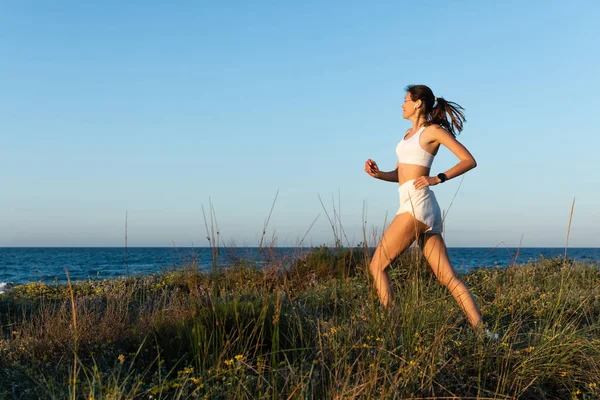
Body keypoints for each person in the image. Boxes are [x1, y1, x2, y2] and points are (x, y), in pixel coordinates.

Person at [364, 84, 485, 331]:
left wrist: (437, 178)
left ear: (418, 103)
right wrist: (379, 175)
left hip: (416, 204)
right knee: (447, 277)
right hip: (419, 205)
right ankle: (483, 332)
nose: (402, 104)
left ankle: (393, 329)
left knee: (377, 266)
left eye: (406, 100)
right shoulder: (407, 135)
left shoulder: (433, 131)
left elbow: (468, 161)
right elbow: (402, 174)